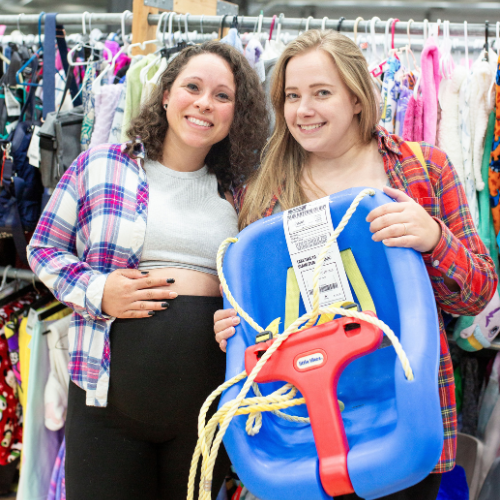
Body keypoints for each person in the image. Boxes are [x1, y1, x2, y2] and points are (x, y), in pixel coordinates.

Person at [213, 30, 498, 500]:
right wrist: (235, 324)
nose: (303, 110)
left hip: (403, 421)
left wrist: (432, 238)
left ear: (358, 98)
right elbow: (261, 315)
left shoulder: (423, 170)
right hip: (302, 429)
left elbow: (479, 293)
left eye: (321, 93)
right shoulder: (264, 193)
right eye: (292, 96)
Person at [27, 41, 268, 500]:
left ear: (237, 114)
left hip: (206, 410)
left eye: (222, 96)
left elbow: (264, 288)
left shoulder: (244, 194)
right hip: (106, 401)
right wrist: (98, 290)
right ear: (165, 94)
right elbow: (44, 249)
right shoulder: (100, 166)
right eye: (192, 87)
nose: (204, 103)